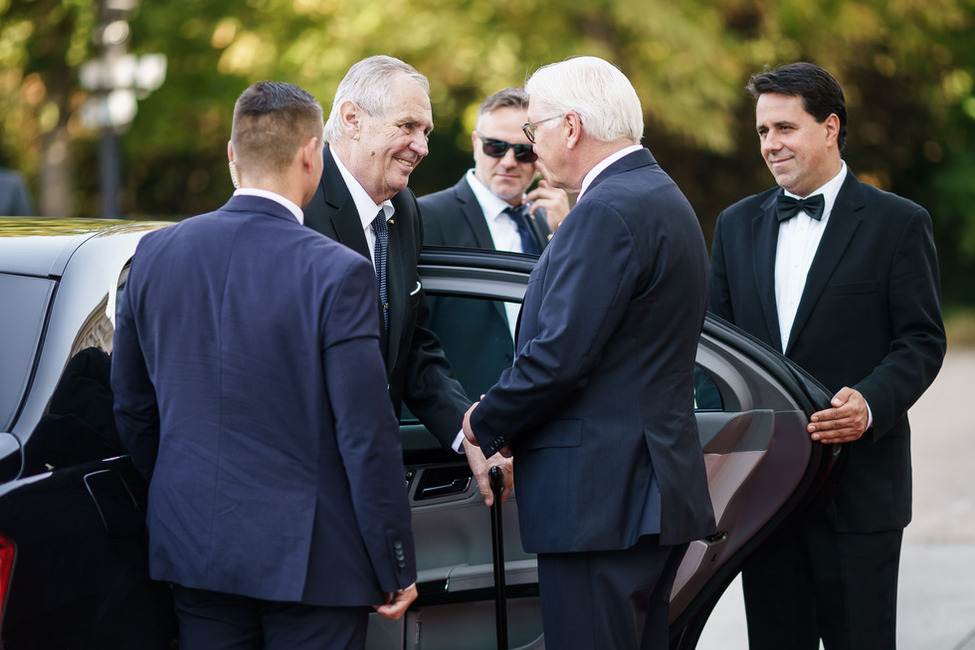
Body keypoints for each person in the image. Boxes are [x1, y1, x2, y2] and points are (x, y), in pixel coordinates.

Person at [112, 81, 417, 650]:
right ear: (311, 154)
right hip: (314, 560)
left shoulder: (154, 254)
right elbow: (365, 433)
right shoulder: (337, 272)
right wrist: (394, 558)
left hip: (196, 547)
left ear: (232, 155)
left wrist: (190, 490)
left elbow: (132, 407)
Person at [462, 56, 716, 649]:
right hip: (645, 494)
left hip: (601, 502)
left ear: (571, 127)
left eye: (534, 131)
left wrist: (485, 421)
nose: (532, 147)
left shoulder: (603, 210)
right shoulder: (661, 196)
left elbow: (558, 357)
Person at [708, 62, 947, 650]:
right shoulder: (735, 226)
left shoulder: (899, 223)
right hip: (766, 492)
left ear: (830, 127)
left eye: (784, 128)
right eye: (763, 131)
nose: (770, 144)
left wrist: (868, 403)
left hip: (860, 490)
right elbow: (715, 347)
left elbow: (921, 340)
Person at [304, 55, 511, 504]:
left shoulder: (405, 210)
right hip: (302, 484)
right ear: (352, 119)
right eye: (408, 126)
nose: (422, 146)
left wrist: (470, 436)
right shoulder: (297, 202)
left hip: (376, 478)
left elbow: (411, 343)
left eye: (426, 132)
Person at [419, 87, 570, 400]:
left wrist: (567, 232)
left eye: (524, 150)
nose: (509, 161)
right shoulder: (426, 216)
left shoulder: (549, 221)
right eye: (495, 147)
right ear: (476, 143)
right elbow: (415, 339)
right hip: (456, 424)